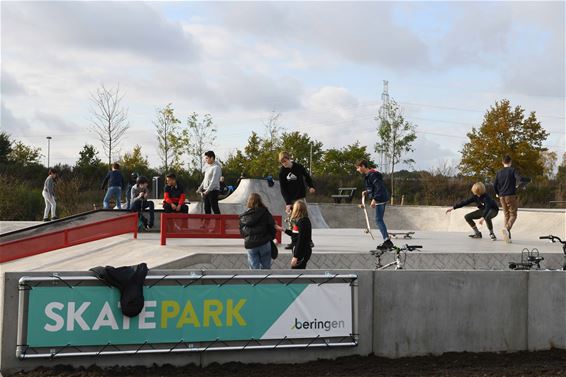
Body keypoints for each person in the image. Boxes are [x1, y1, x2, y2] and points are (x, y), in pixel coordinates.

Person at [278, 151, 316, 249]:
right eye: (282, 163)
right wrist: (287, 203)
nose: (284, 164)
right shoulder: (282, 172)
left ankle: (309, 240)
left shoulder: (298, 167)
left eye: (285, 161)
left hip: (301, 197)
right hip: (290, 199)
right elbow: (283, 189)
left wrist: (311, 186)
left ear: (289, 159)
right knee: (292, 220)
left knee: (305, 219)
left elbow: (307, 176)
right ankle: (294, 241)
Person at [355, 160, 392, 250]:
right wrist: (367, 192)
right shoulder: (370, 175)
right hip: (381, 197)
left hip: (380, 198)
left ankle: (387, 241)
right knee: (378, 219)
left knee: (378, 220)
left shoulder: (372, 175)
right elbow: (373, 187)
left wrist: (375, 199)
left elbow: (379, 187)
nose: (357, 170)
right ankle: (387, 241)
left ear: (363, 166)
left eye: (358, 167)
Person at [239, 193, 277, 269]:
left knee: (253, 268)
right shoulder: (265, 212)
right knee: (266, 267)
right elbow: (272, 226)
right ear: (260, 201)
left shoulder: (244, 216)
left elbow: (242, 231)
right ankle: (265, 279)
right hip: (265, 242)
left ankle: (255, 280)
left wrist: (247, 238)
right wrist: (271, 237)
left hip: (251, 244)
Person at [494, 155, 523, 243]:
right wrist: (518, 184)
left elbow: (495, 185)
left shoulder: (498, 172)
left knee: (506, 215)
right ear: (510, 162)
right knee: (513, 215)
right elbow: (520, 178)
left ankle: (507, 237)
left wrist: (497, 193)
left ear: (502, 162)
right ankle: (506, 228)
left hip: (501, 196)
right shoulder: (512, 170)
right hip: (510, 196)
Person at [276, 200, 312, 269]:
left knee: (296, 274)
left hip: (302, 252)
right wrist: (283, 229)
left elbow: (301, 240)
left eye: (294, 208)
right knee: (298, 273)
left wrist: (296, 256)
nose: (293, 210)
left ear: (297, 209)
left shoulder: (303, 222)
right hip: (301, 251)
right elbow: (295, 234)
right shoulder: (302, 220)